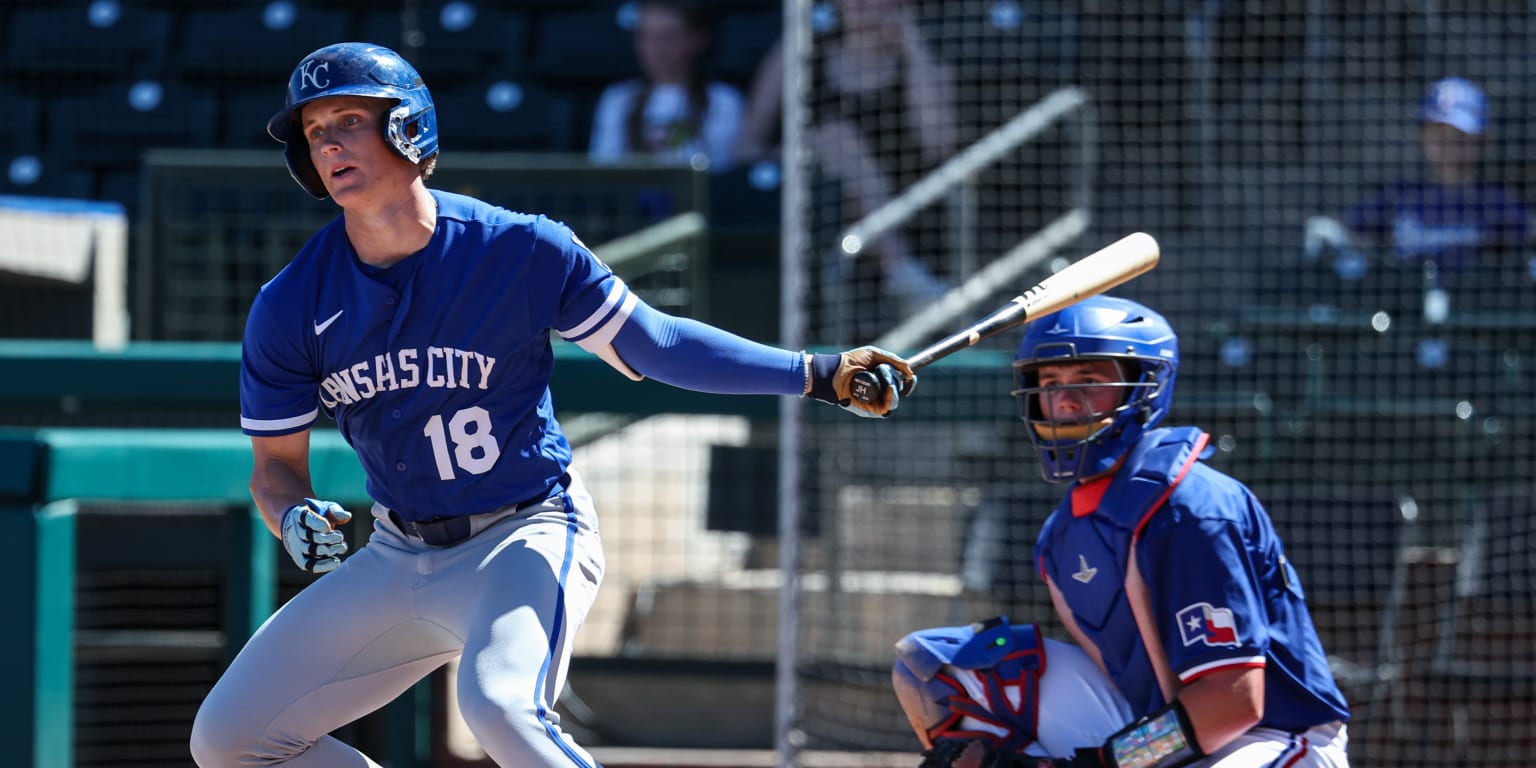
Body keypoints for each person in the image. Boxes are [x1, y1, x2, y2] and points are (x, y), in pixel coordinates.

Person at [188, 42, 914, 768]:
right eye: (315, 131)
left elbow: (656, 342)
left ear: (409, 128)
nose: (329, 143)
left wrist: (816, 373)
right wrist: (293, 516)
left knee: (500, 708)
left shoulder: (517, 248)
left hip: (523, 533)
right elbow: (275, 472)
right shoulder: (290, 303)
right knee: (229, 740)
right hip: (397, 550)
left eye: (349, 119)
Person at [890, 296, 1351, 768]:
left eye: (1089, 381)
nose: (1066, 400)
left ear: (1143, 387)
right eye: (1050, 383)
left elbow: (1233, 700)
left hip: (1272, 737)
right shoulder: (1061, 535)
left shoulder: (1193, 509)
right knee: (938, 665)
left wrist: (1103, 765)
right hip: (1163, 731)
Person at [734, 0, 960, 325]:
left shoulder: (925, 58)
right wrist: (809, 152)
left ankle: (903, 271)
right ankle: (902, 272)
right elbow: (746, 149)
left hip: (913, 214)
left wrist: (911, 44)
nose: (861, 4)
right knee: (835, 137)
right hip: (817, 214)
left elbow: (940, 144)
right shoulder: (799, 51)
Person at [1304, 76, 1534, 315]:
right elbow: (1347, 228)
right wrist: (1332, 231)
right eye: (1439, 136)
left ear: (1482, 139)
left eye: (1459, 137)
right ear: (1423, 137)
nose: (1448, 146)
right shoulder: (1402, 195)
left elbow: (1529, 230)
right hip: (1403, 314)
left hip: (1474, 316)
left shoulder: (1494, 201)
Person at [588, 0, 742, 172]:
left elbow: (719, 169)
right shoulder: (618, 98)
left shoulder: (723, 100)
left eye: (668, 37)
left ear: (698, 38)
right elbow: (604, 168)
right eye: (645, 36)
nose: (655, 48)